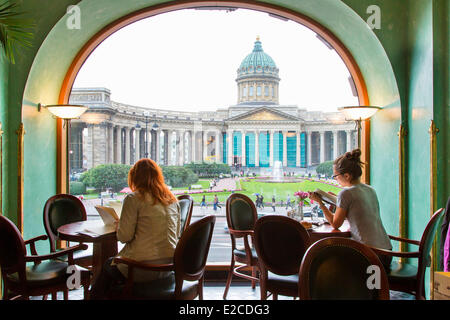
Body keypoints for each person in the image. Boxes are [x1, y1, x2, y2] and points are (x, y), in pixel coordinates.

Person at [90, 159, 181, 299]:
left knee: (107, 267)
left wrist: (120, 225)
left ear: (134, 177)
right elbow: (176, 234)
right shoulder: (172, 200)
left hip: (141, 268)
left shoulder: (133, 198)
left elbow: (124, 237)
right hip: (169, 266)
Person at [308, 149, 393, 271]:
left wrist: (320, 203)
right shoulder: (370, 189)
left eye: (336, 176)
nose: (335, 179)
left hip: (370, 255)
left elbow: (336, 224)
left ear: (347, 176)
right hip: (387, 252)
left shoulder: (346, 194)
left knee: (328, 263)